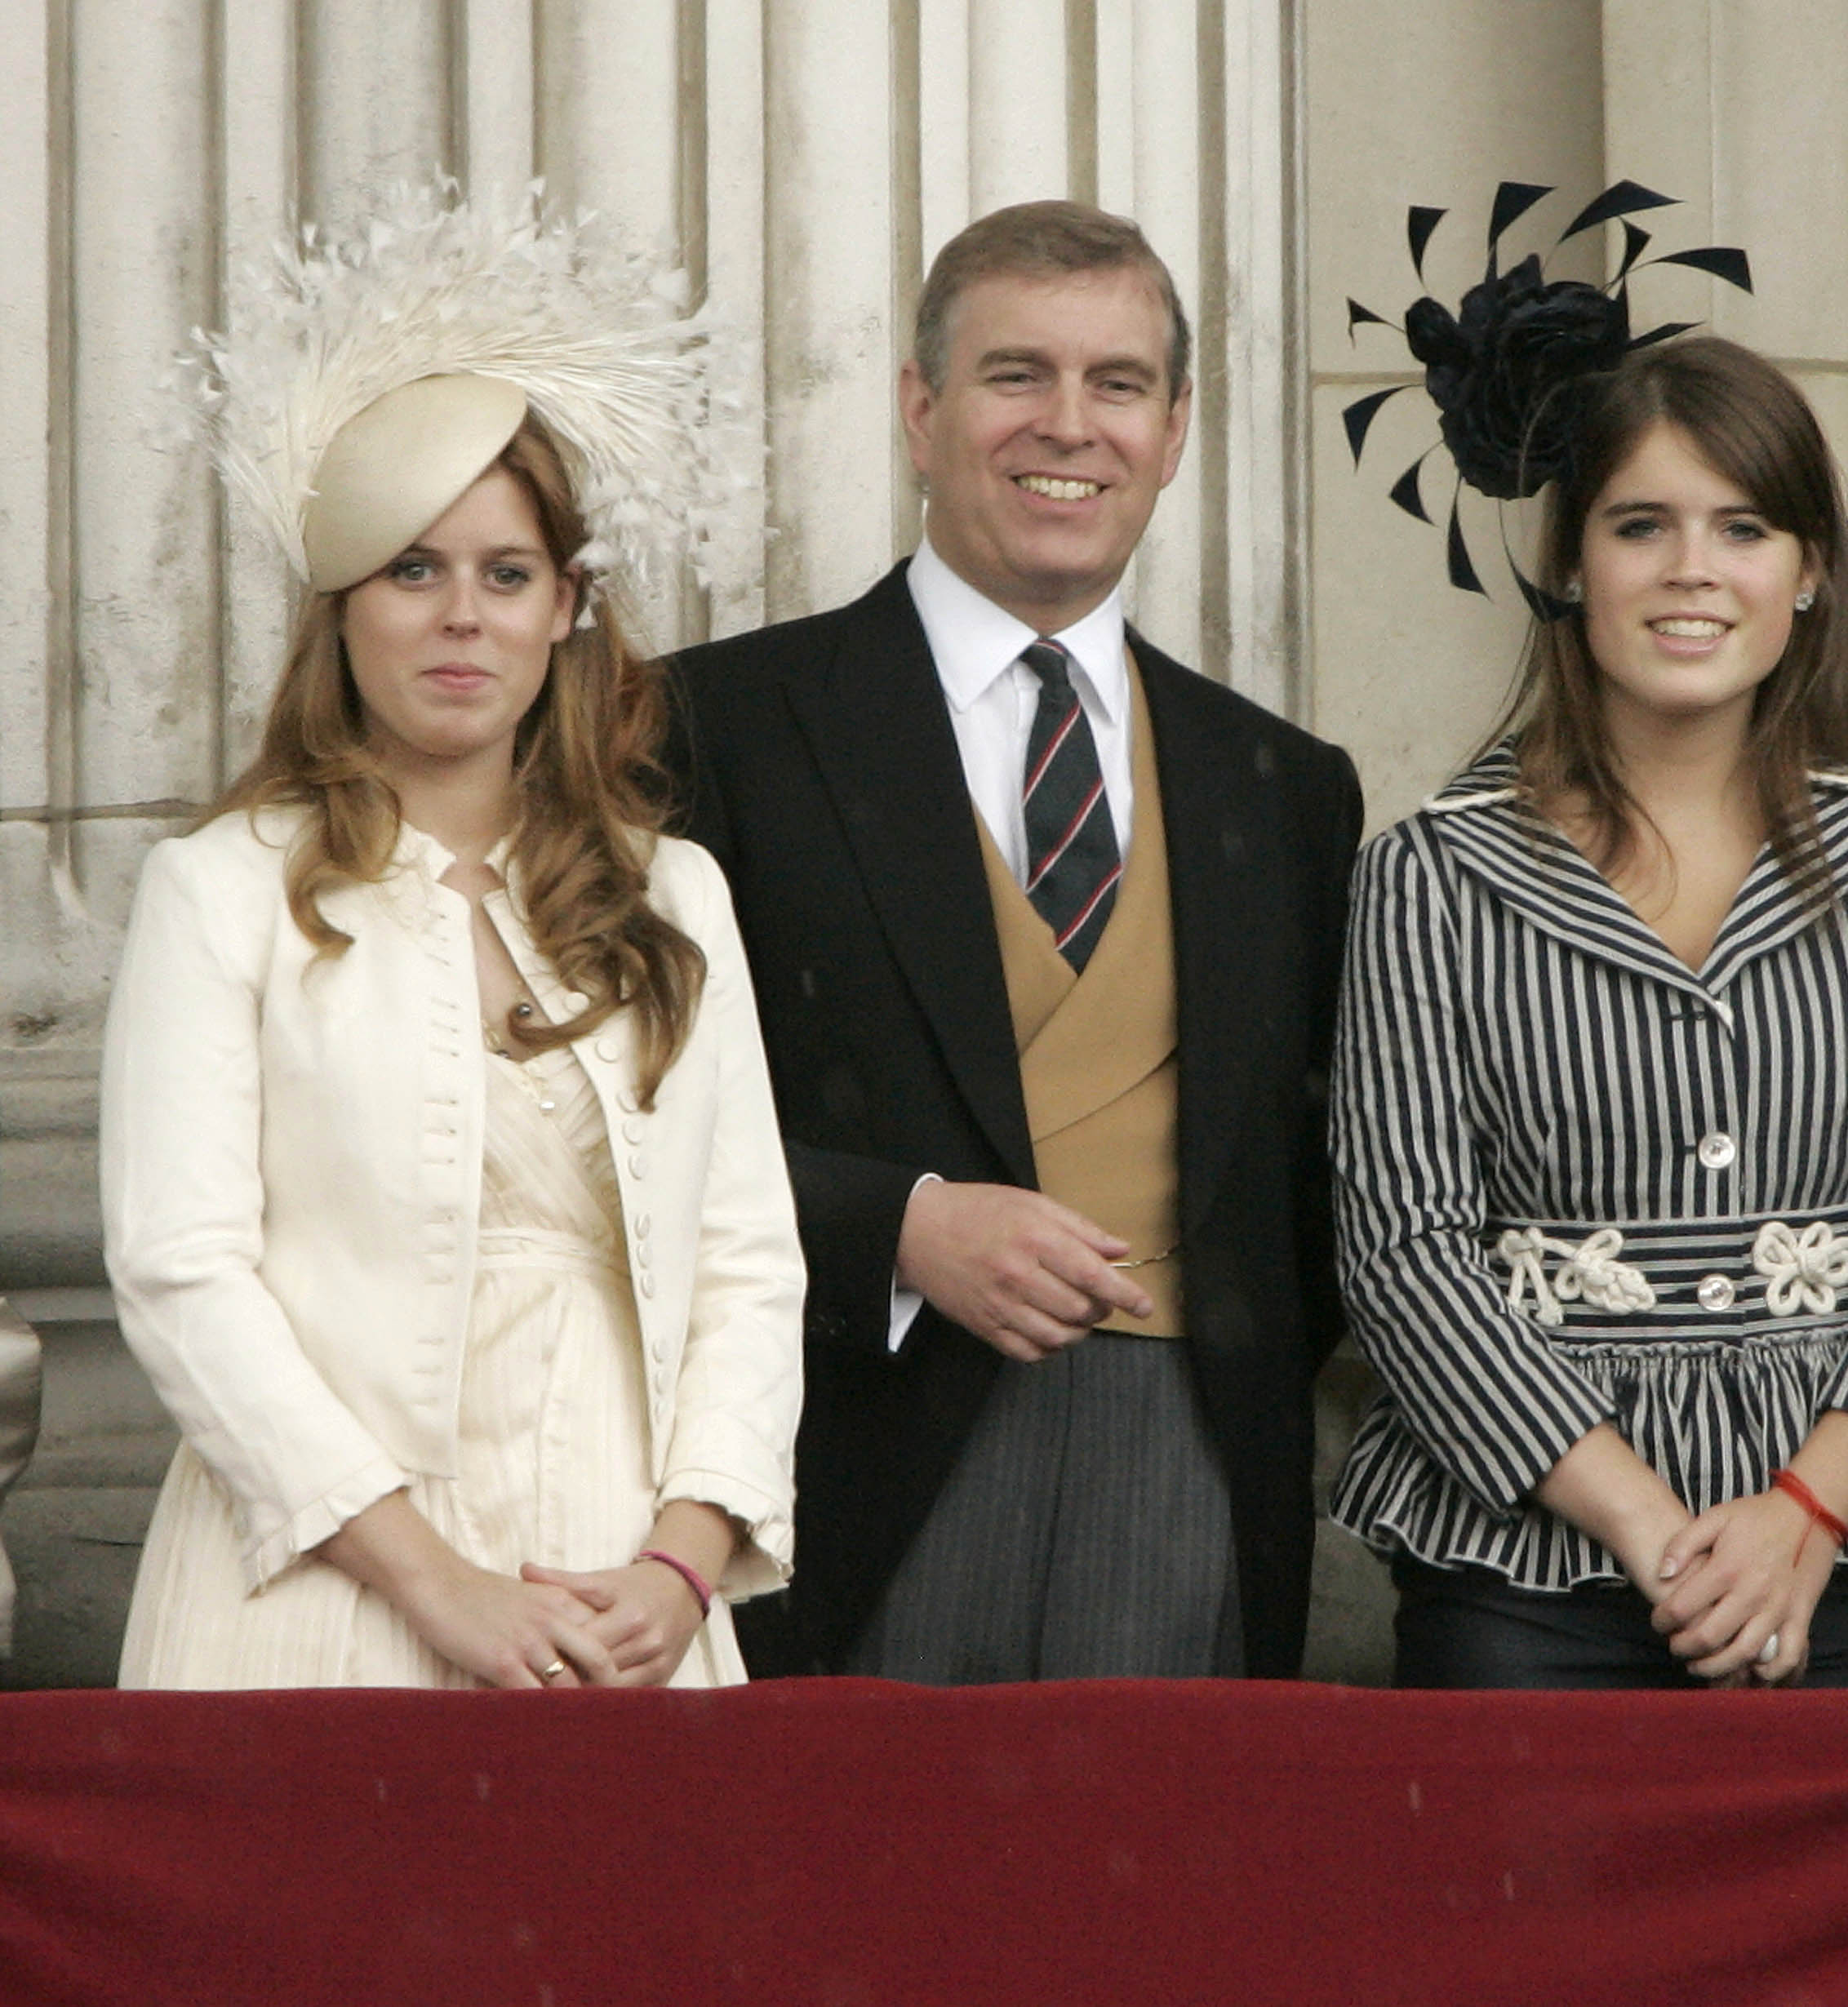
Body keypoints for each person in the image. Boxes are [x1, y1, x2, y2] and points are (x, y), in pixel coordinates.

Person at [101, 191, 803, 1690]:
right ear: (340, 608)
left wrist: (682, 1565)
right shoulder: (220, 890)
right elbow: (179, 1273)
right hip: (312, 1587)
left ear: (566, 609)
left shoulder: (674, 898)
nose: (459, 617)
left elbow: (750, 1264)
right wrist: (436, 1582)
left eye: (505, 572)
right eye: (412, 569)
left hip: (626, 1586)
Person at [669, 201, 1362, 1682]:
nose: (1070, 423)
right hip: (846, 1455)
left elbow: (1312, 1176)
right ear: (919, 410)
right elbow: (614, 1132)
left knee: (1153, 1902)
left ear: (1173, 431)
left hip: (1188, 1472)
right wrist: (896, 1229)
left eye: (1118, 383)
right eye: (1014, 375)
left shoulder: (1284, 783)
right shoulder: (709, 727)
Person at [1330, 335, 1848, 1689]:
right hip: (1524, 1570)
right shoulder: (1429, 872)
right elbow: (1401, 1245)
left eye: (1743, 526)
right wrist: (1643, 1522)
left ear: (1812, 568)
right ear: (1570, 560)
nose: (1691, 569)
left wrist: (1803, 1511)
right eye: (1639, 524)